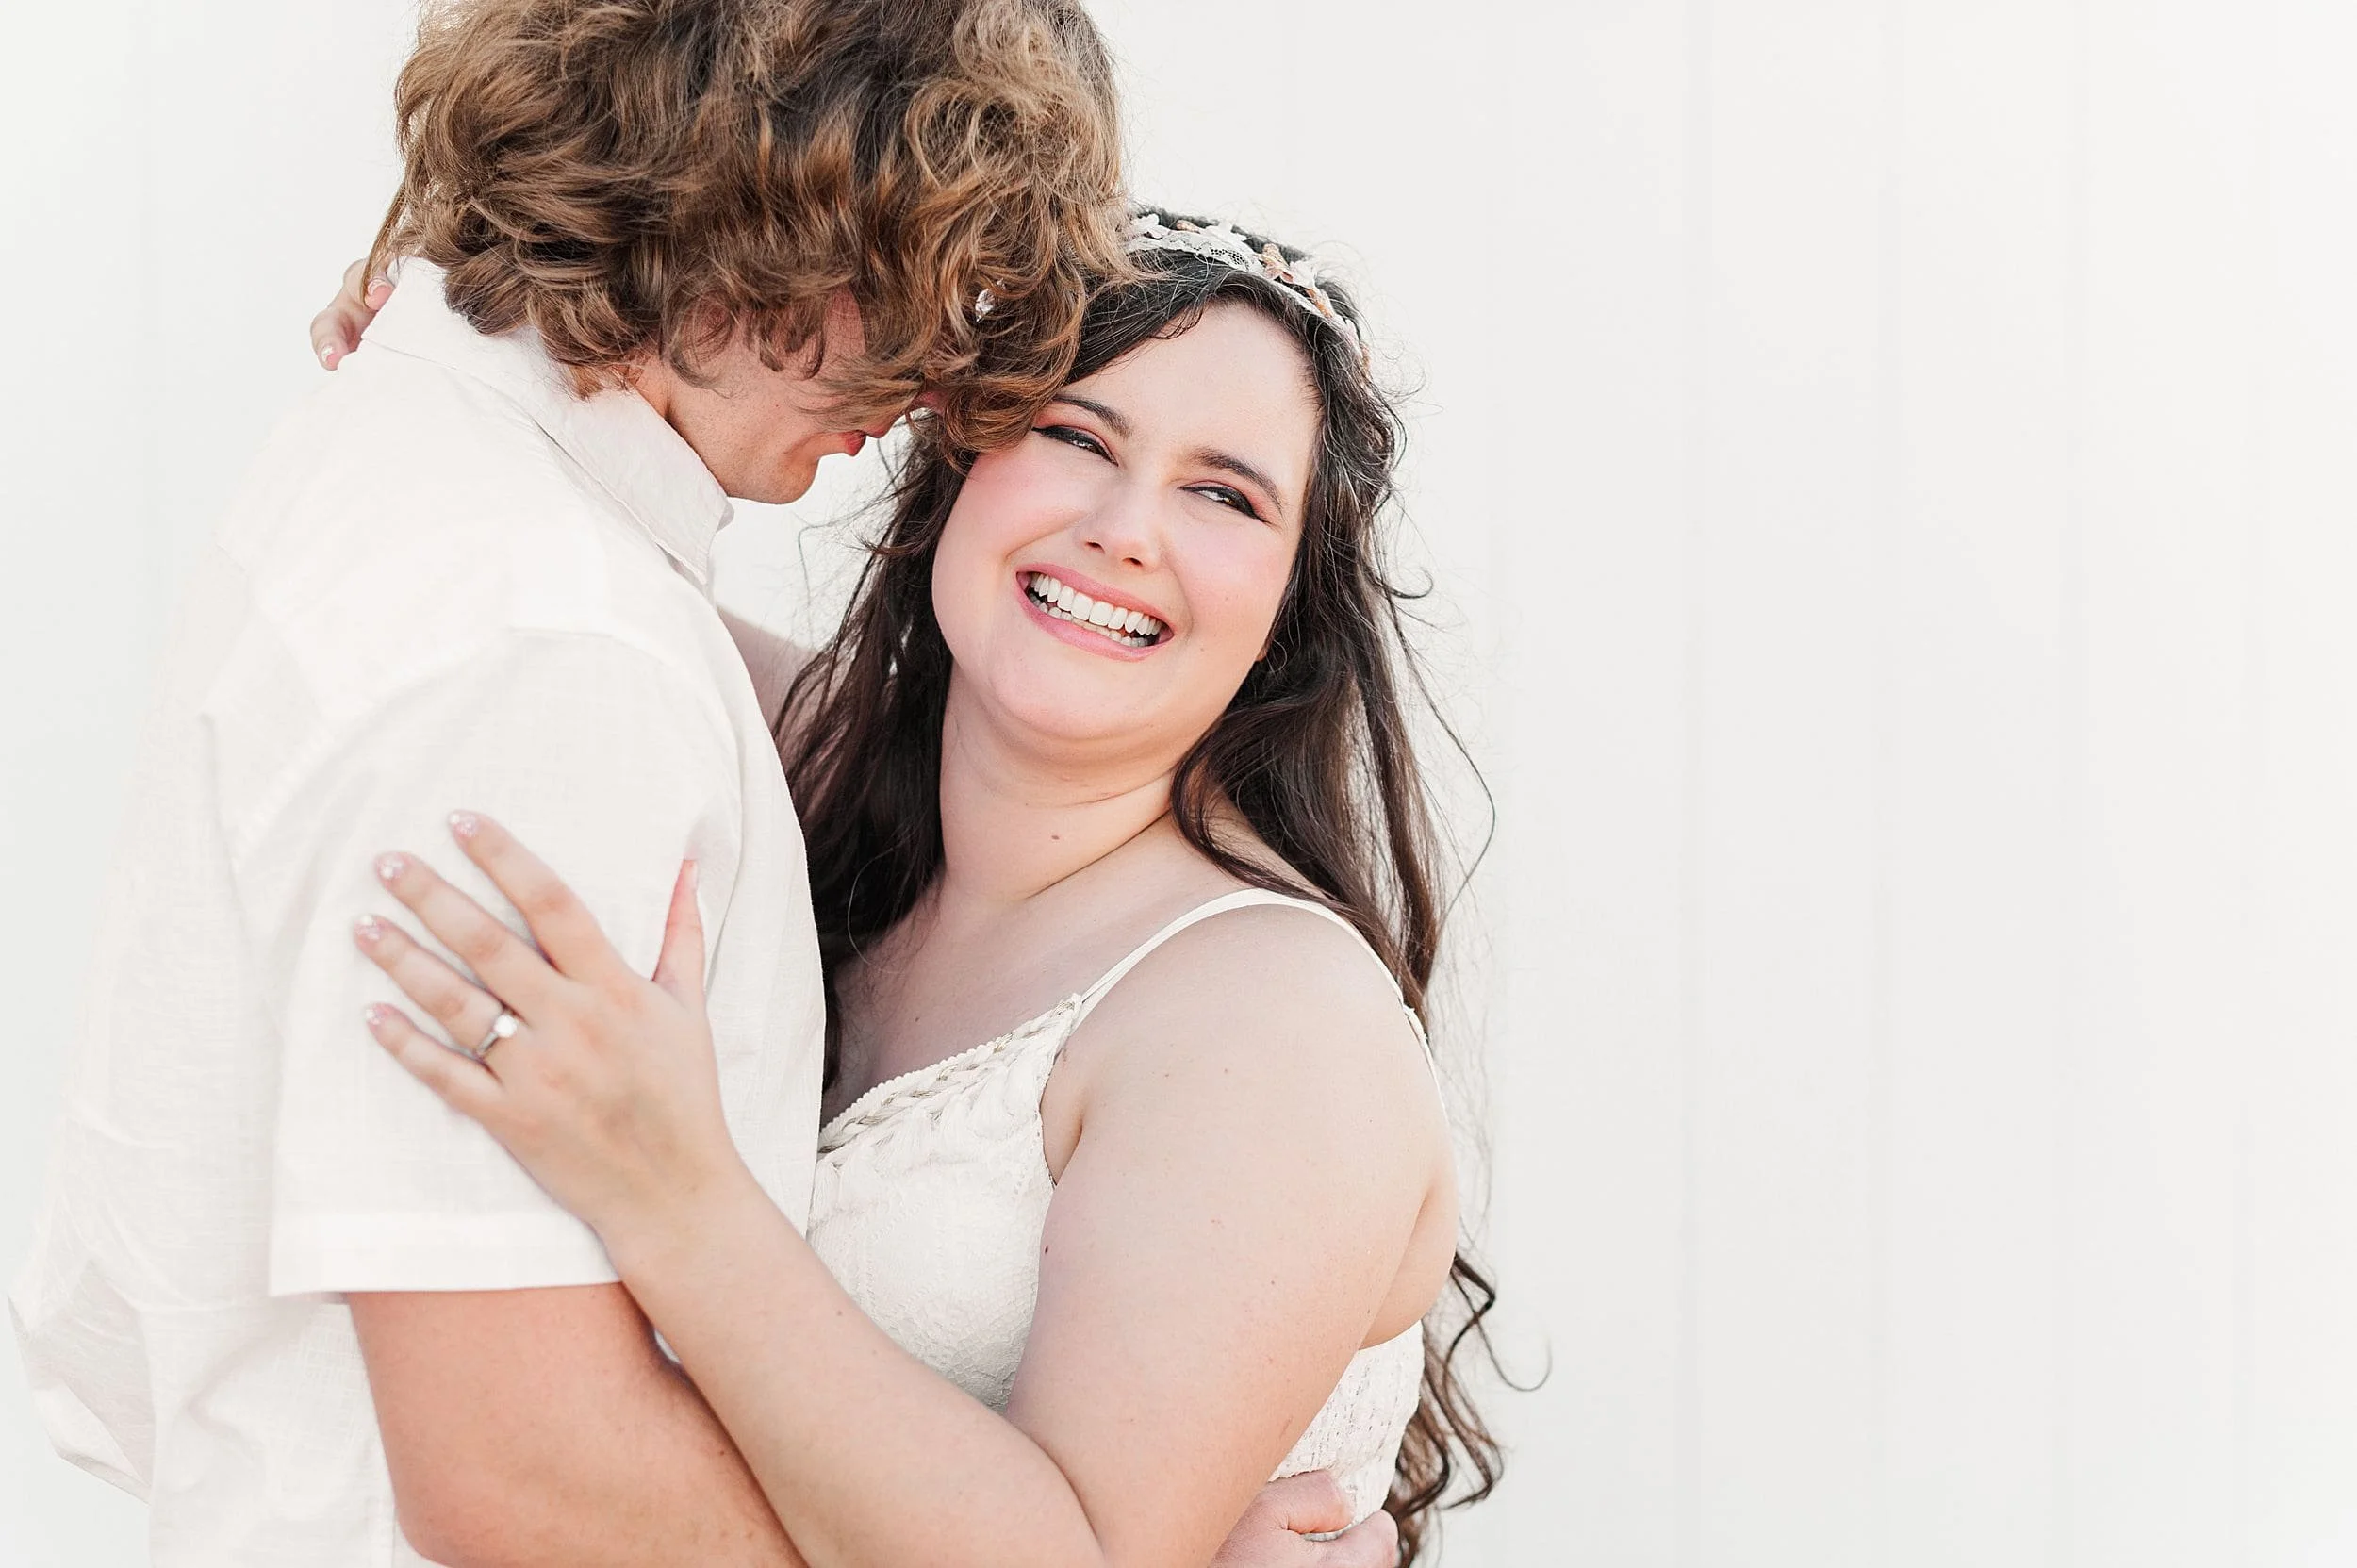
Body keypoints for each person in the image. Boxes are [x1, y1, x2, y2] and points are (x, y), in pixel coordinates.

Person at [10, 4, 1382, 1564]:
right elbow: (526, 1475)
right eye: (1053, 419)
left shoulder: (472, 520)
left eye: (1224, 493)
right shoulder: (559, 646)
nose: (937, 380)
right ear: (787, 211)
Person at [337, 213, 1505, 1568]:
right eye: (1076, 434)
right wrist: (450, 344)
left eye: (1225, 494)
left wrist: (676, 1192)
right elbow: (525, 535)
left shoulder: (1273, 1023)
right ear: (957, 462)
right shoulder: (782, 750)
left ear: (1290, 611)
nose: (1127, 530)